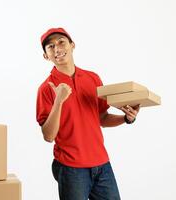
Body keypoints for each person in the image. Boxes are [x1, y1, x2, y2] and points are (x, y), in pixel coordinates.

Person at [36, 27, 140, 200]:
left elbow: (102, 117)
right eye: (50, 46)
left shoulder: (93, 78)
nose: (57, 49)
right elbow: (48, 136)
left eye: (61, 42)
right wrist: (59, 101)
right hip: (71, 168)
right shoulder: (46, 89)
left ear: (72, 45)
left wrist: (126, 119)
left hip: (102, 164)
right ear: (46, 56)